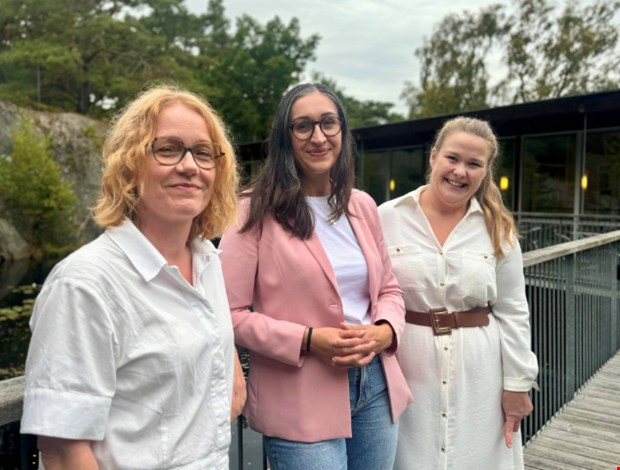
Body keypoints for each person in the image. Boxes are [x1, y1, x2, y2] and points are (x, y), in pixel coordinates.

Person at [20, 86, 246, 470]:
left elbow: (227, 383)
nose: (190, 166)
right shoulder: (85, 284)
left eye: (203, 152)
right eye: (168, 149)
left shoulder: (208, 262)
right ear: (130, 165)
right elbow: (61, 452)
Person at [219, 83, 412, 470]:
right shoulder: (250, 211)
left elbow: (389, 289)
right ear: (285, 137)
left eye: (328, 123)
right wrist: (307, 340)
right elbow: (229, 313)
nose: (318, 136)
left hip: (374, 385)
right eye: (303, 126)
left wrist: (386, 330)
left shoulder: (362, 205)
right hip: (299, 395)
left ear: (342, 129)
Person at [379, 117, 539, 470]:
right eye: (452, 158)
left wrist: (518, 383)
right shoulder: (385, 218)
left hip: (480, 373)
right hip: (407, 368)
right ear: (433, 157)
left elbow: (513, 311)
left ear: (485, 172)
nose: (460, 171)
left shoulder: (498, 229)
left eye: (473, 164)